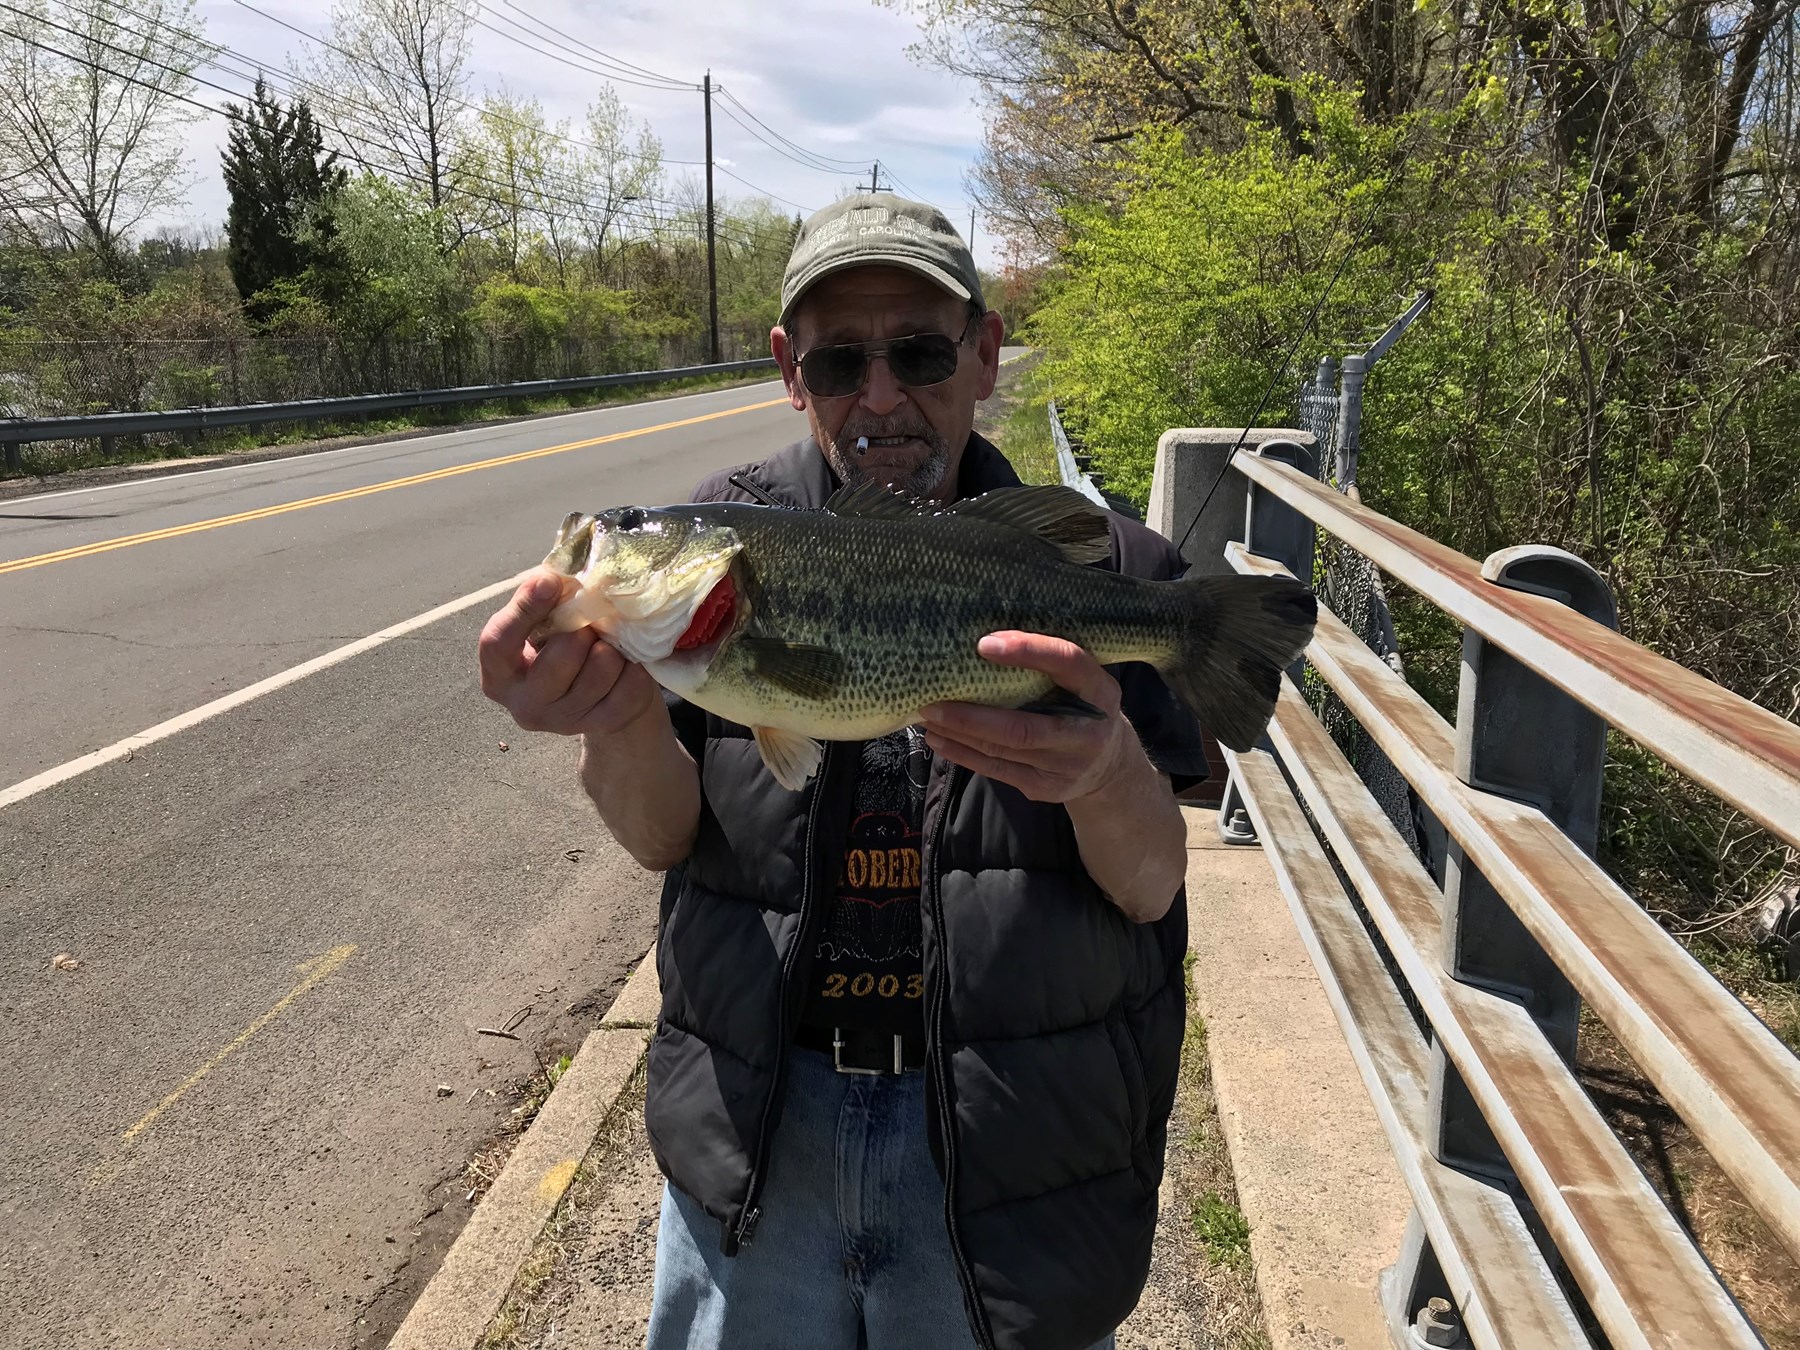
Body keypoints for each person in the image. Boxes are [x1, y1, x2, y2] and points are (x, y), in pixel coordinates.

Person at [478, 194, 1211, 1350]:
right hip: (766, 1140)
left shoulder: (1112, 570)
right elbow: (666, 841)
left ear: (983, 353)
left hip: (1008, 1162)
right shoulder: (725, 545)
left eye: (919, 352)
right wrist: (616, 722)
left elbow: (1154, 885)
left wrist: (1107, 774)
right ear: (789, 369)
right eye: (838, 362)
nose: (880, 396)